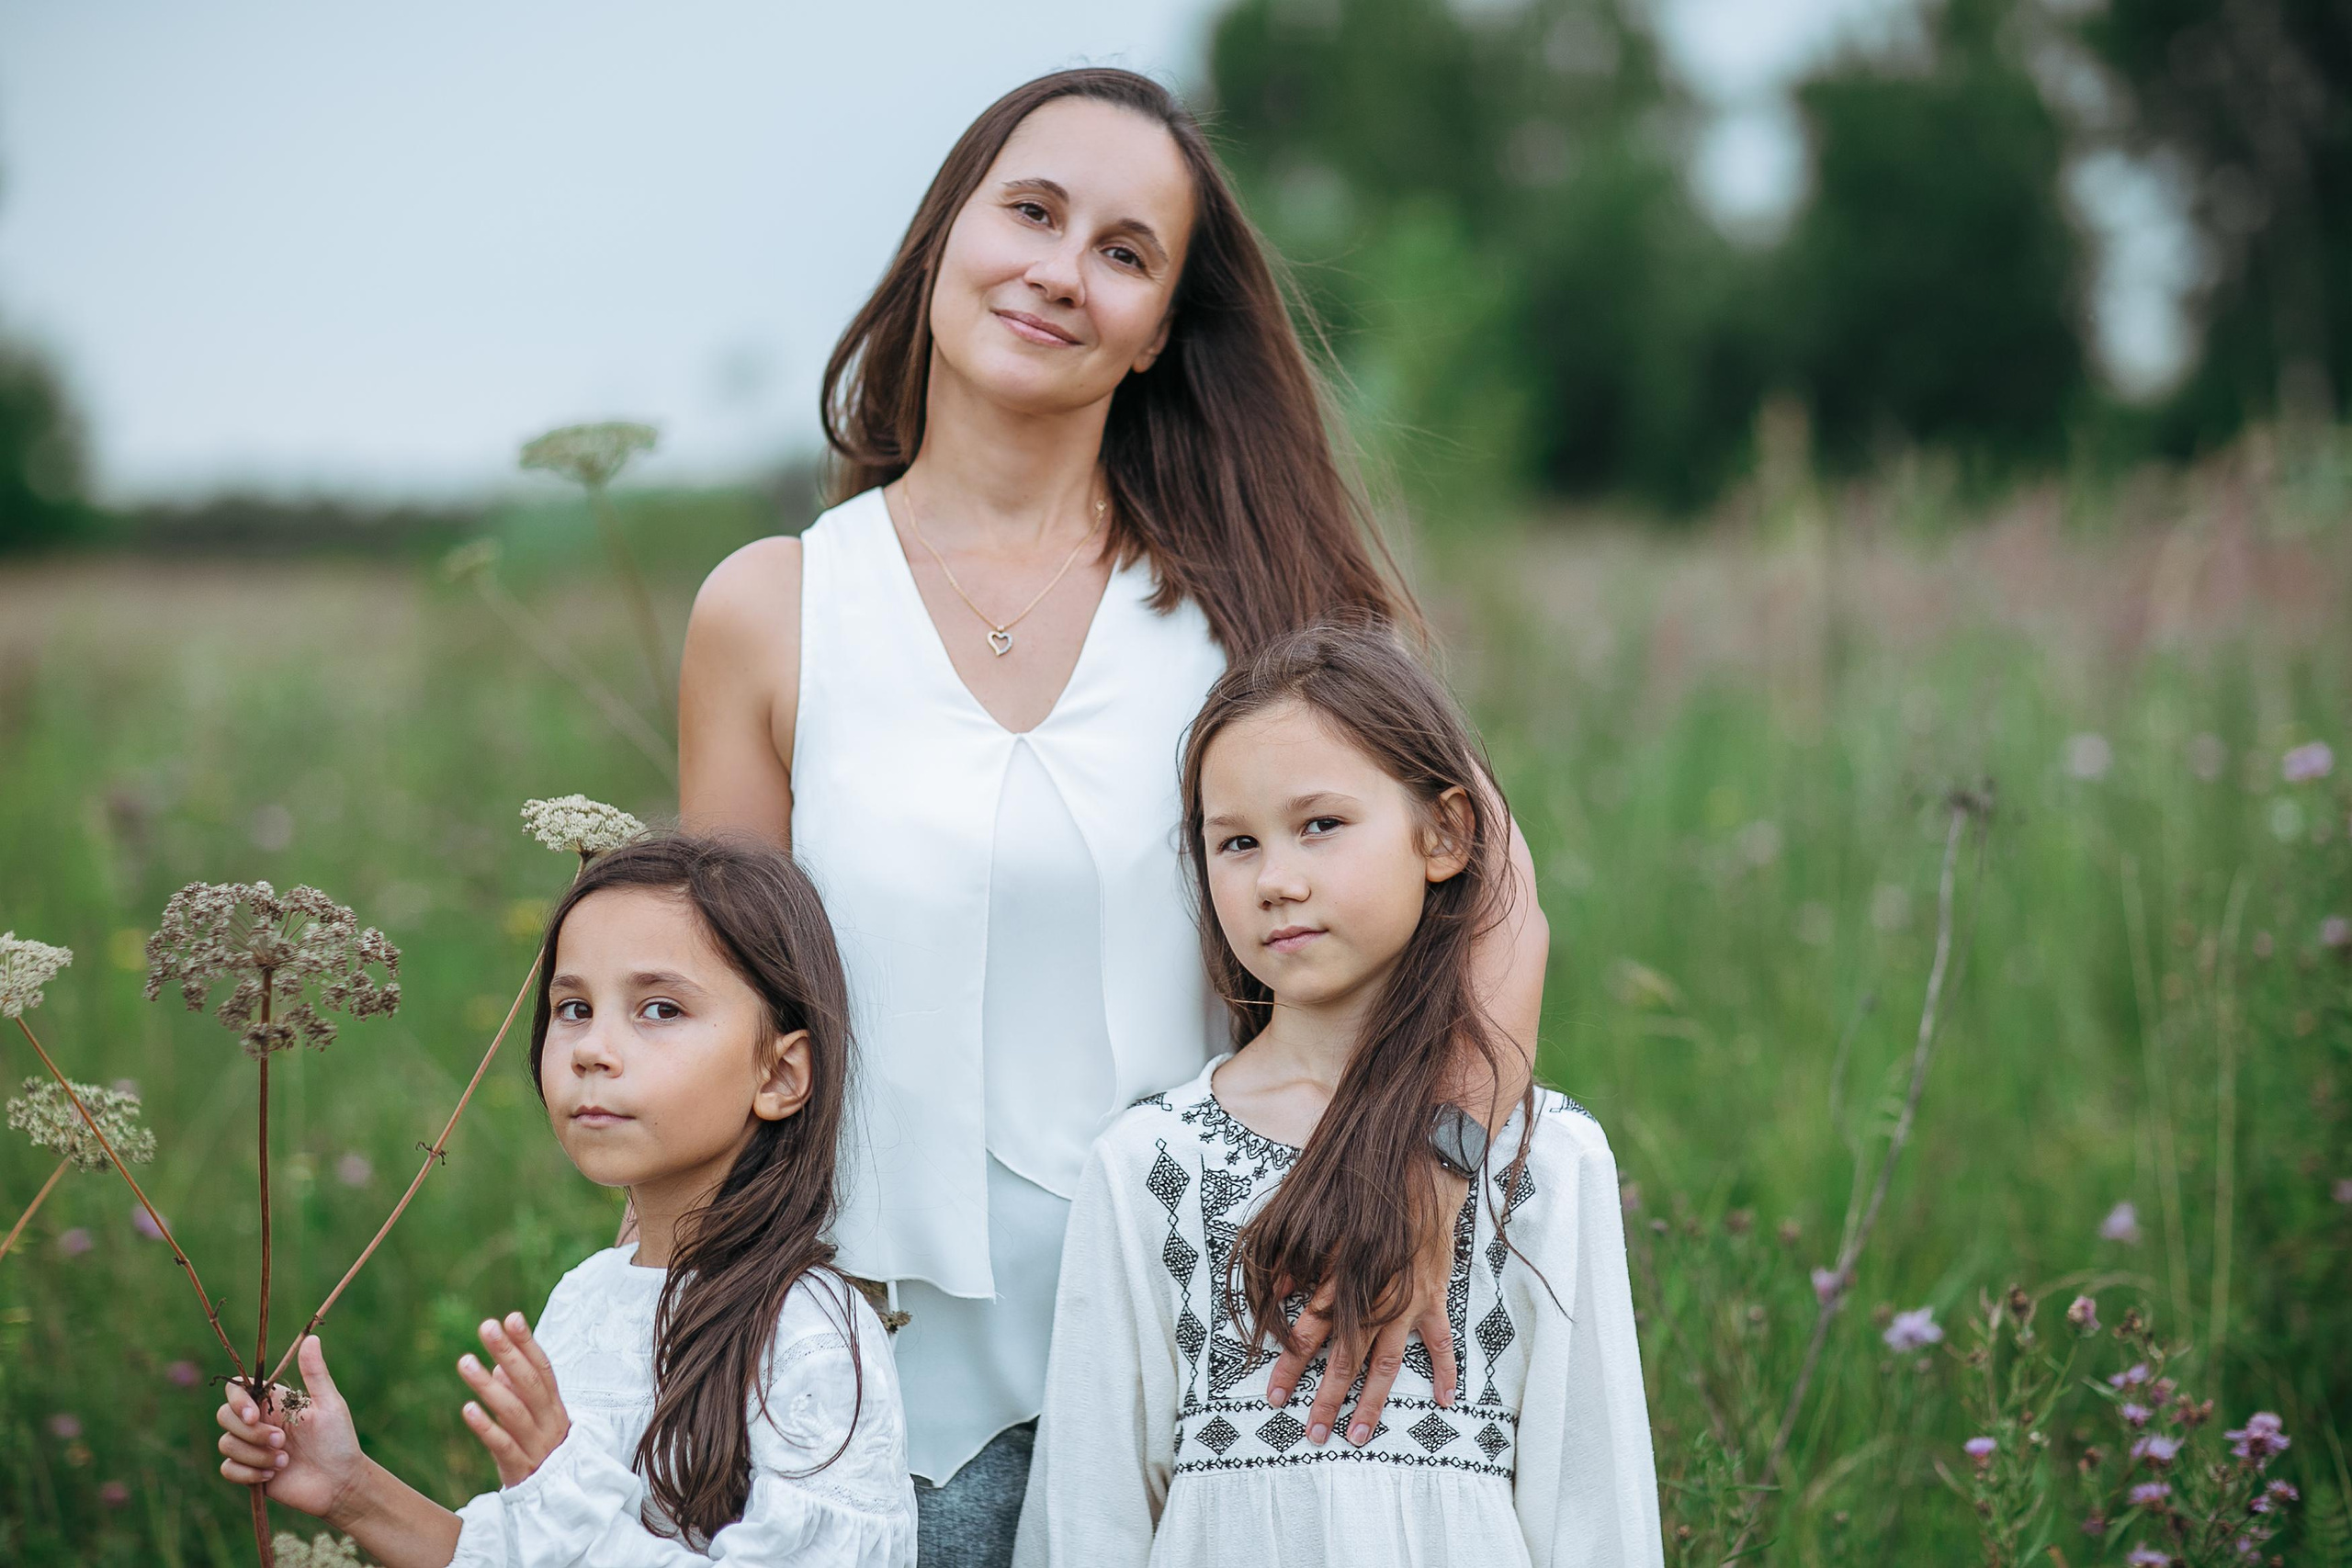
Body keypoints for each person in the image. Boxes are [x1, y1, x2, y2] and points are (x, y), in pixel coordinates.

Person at [677, 66, 1550, 1561]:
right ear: (945, 234)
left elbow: (1498, 897)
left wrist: (1428, 1184)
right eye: (1031, 211)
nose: (1061, 271)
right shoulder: (775, 608)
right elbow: (717, 1022)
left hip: (1226, 1376)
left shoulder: (1253, 610)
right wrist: (683, 1351)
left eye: (1126, 251)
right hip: (875, 1404)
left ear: (1160, 331)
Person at [1017, 621, 1662, 1566]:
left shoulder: (1548, 1160)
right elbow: (1088, 1513)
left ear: (1442, 834)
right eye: (1235, 843)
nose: (1276, 880)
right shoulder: (1148, 1164)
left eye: (1320, 825)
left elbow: (1594, 1507)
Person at [211, 836, 917, 1566]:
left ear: (780, 1073)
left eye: (661, 1008)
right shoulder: (586, 1297)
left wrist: (558, 1483)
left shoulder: (808, 1337)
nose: (591, 1048)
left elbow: (563, 1529)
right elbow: (523, 1552)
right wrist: (350, 1487)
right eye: (573, 1006)